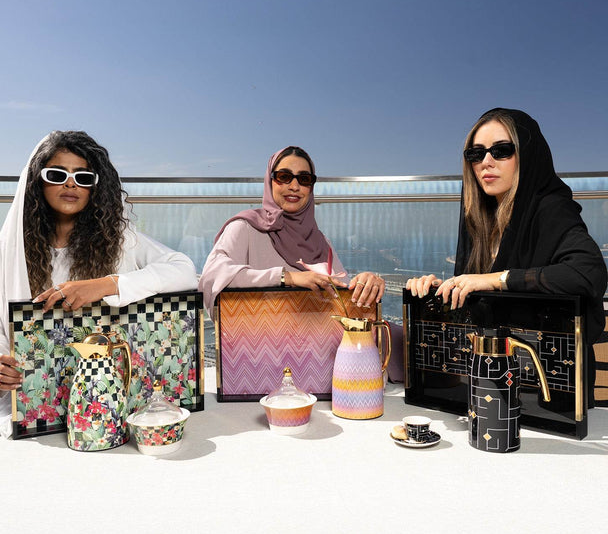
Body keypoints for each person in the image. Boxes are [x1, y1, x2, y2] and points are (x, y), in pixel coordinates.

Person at [0, 131, 199, 437]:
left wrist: (107, 285)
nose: (71, 184)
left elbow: (184, 270)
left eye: (83, 177)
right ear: (37, 182)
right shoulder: (9, 252)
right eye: (57, 175)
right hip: (37, 408)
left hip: (109, 403)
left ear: (95, 188)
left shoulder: (120, 242)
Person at [406, 108, 607, 399]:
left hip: (548, 390)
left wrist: (496, 279)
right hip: (493, 383)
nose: (486, 162)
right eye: (476, 154)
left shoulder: (550, 208)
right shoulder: (480, 220)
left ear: (527, 155)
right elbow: (480, 309)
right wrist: (441, 291)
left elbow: (588, 272)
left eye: (501, 150)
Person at [201, 145, 386, 314]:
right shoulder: (246, 227)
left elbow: (342, 297)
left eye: (304, 179)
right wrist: (287, 278)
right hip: (258, 337)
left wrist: (364, 282)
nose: (294, 186)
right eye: (284, 177)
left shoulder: (320, 241)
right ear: (270, 181)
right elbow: (212, 277)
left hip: (317, 336)